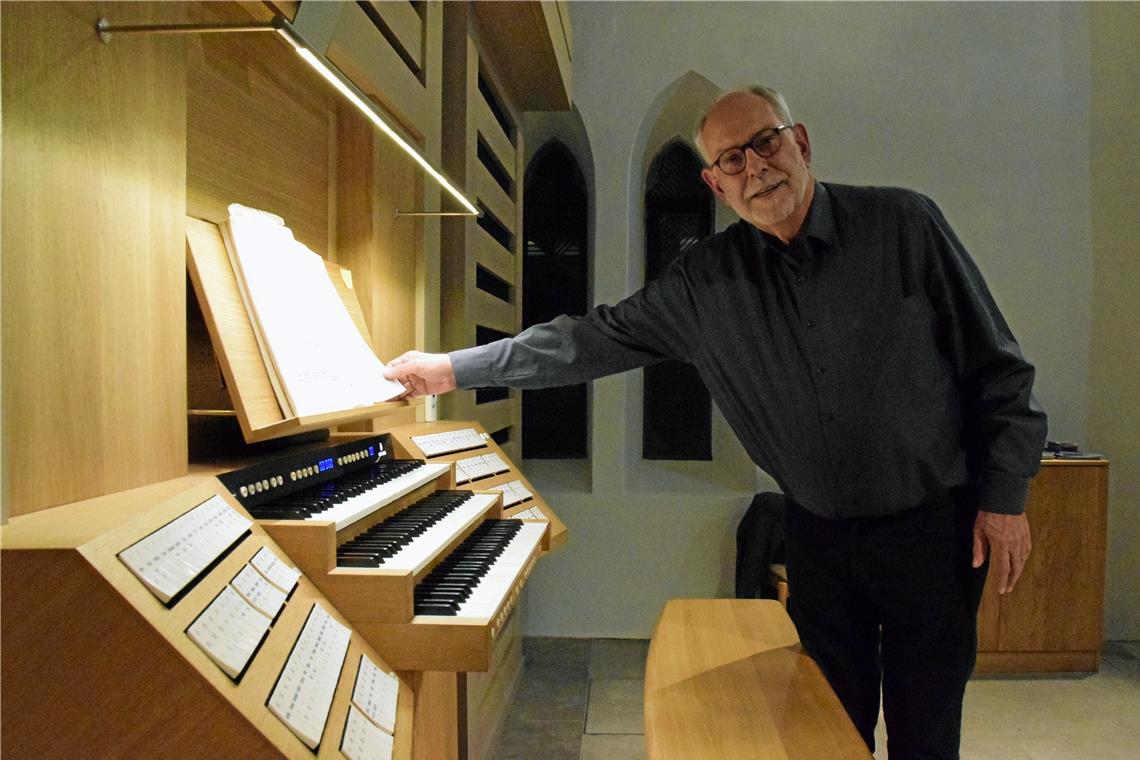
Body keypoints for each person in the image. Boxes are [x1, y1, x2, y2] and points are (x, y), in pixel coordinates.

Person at [383, 85, 1047, 759]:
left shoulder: (904, 225)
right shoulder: (704, 281)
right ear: (715, 184)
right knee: (824, 731)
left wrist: (1005, 499)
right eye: (732, 160)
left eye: (766, 141)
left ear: (801, 142)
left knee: (927, 731)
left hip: (930, 534)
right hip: (818, 539)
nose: (755, 168)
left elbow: (999, 369)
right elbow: (588, 338)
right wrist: (453, 369)